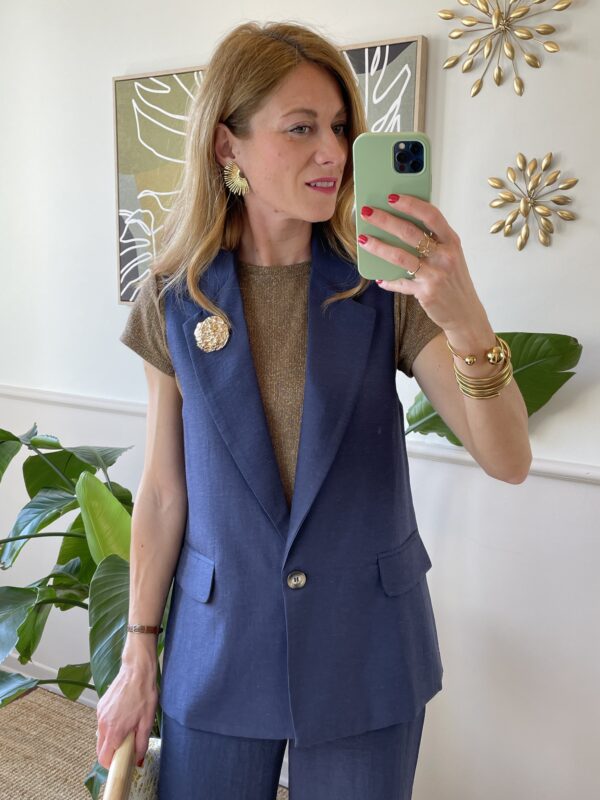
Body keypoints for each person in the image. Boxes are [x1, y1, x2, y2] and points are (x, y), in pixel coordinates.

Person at [97, 20, 532, 800]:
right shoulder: (173, 296)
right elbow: (163, 491)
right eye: (301, 129)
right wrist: (138, 652)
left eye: (339, 127)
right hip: (218, 648)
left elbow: (508, 459)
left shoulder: (386, 284)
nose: (332, 151)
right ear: (227, 146)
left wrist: (466, 319)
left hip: (366, 650)